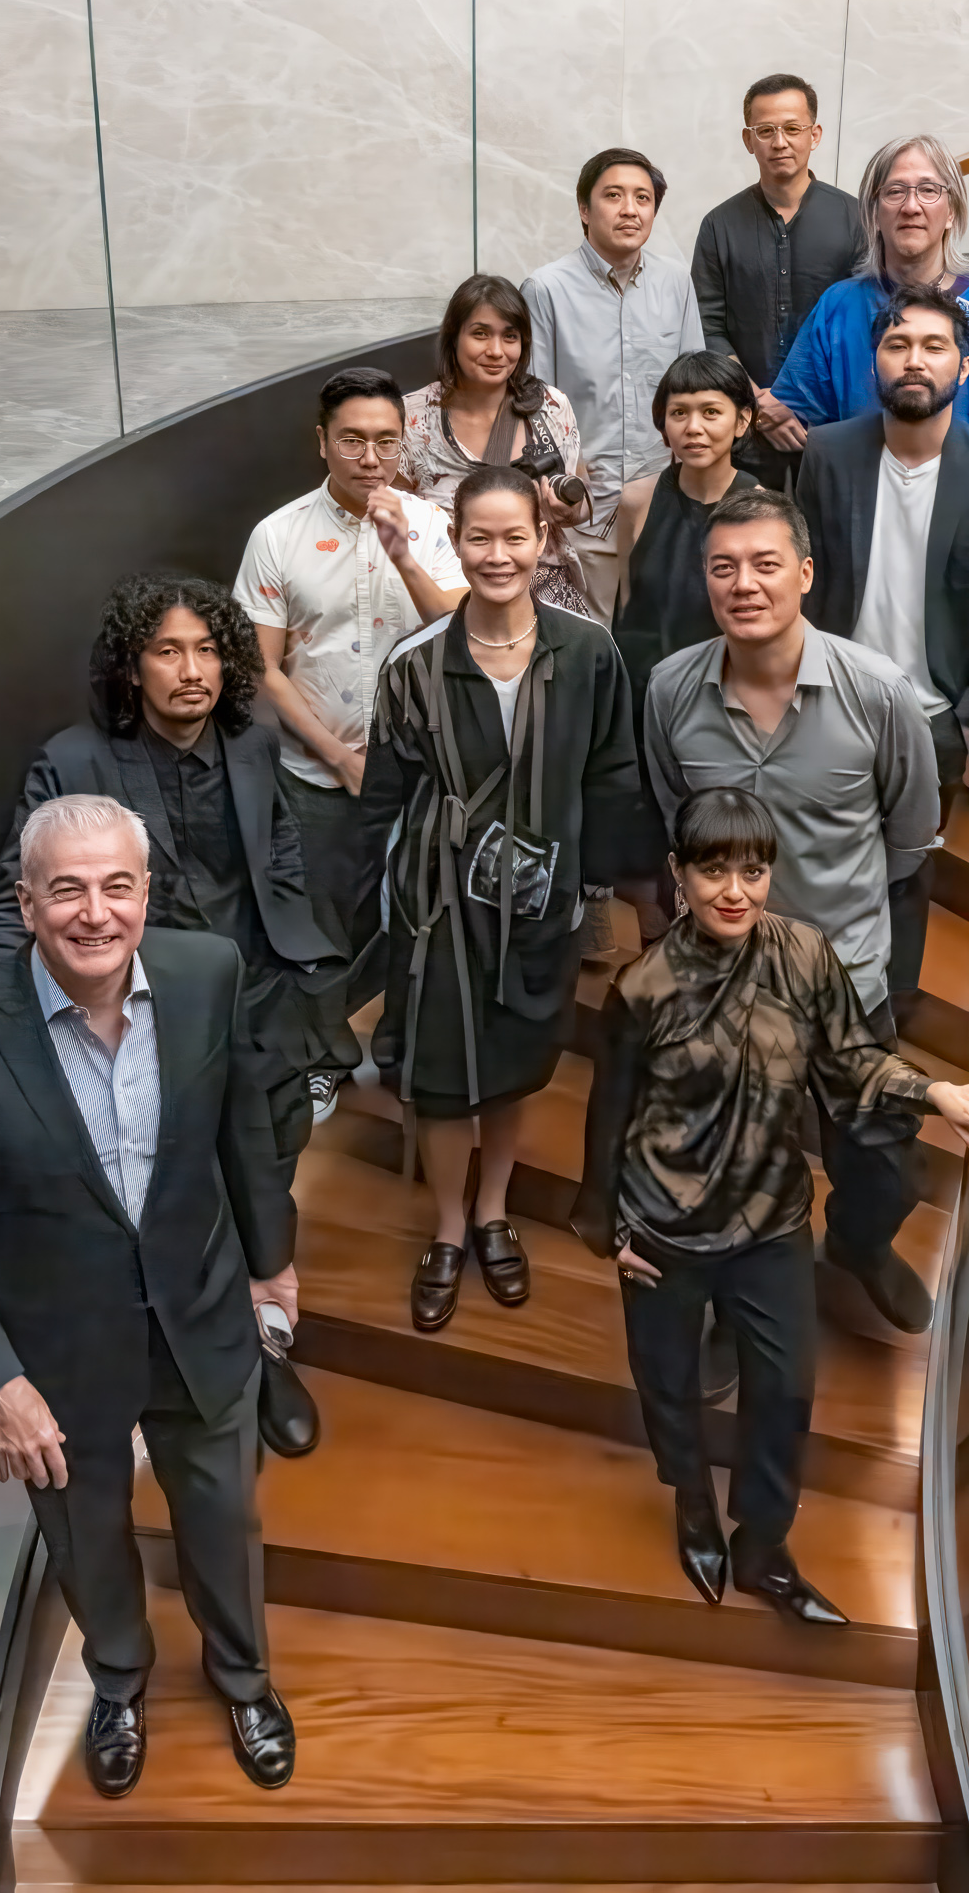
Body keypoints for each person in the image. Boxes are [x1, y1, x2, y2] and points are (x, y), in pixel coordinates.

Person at [0, 797, 298, 1797]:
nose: (94, 911)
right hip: (59, 1354)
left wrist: (269, 1261)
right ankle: (118, 1674)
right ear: (25, 903)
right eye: (66, 887)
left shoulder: (210, 974)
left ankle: (242, 1673)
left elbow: (241, 1129)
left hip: (201, 1318)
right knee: (86, 1533)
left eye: (117, 884)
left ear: (146, 892)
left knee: (222, 1518)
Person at [571, 786, 969, 1610]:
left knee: (783, 1391)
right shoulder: (639, 990)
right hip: (663, 1230)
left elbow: (852, 1061)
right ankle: (694, 1509)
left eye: (751, 869)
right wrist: (611, 1229)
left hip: (770, 1218)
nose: (733, 890)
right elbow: (609, 1119)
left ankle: (762, 1548)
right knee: (666, 1385)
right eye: (712, 871)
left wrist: (936, 1094)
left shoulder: (804, 957)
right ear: (677, 875)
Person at [0, 573, 335, 1457]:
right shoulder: (76, 759)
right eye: (168, 650)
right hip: (144, 1021)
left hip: (258, 999)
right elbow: (13, 900)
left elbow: (277, 845)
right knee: (176, 1199)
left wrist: (295, 952)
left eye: (208, 649)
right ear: (132, 667)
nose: (192, 670)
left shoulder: (252, 738)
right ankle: (196, 1371)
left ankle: (265, 1349)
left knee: (265, 1176)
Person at [644, 488, 942, 1334]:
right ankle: (722, 1312)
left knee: (879, 1159)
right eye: (724, 567)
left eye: (765, 564)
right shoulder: (670, 690)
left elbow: (909, 836)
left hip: (842, 973)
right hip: (720, 982)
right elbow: (680, 817)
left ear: (804, 574)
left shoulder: (878, 693)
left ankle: (857, 1244)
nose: (744, 584)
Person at [362, 465, 639, 1334]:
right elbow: (382, 795)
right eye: (478, 537)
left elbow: (611, 773)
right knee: (443, 1076)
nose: (497, 555)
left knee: (516, 1062)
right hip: (439, 909)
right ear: (456, 541)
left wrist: (587, 888)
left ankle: (493, 1209)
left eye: (514, 536)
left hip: (542, 902)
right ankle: (449, 1227)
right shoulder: (414, 667)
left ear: (543, 541)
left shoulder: (588, 652)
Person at [797, 286, 969, 1005]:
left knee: (903, 879)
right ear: (873, 360)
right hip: (828, 700)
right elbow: (805, 581)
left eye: (934, 347)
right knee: (813, 862)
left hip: (933, 719)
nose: (914, 360)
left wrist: (967, 724)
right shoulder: (826, 453)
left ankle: (886, 1027)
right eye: (897, 344)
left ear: (963, 369)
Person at [233, 367, 468, 1057]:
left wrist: (402, 557)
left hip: (423, 769)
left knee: (420, 913)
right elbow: (260, 668)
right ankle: (326, 1058)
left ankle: (407, 1045)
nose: (371, 459)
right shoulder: (278, 536)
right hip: (316, 770)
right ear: (321, 442)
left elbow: (461, 632)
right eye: (353, 441)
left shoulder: (430, 526)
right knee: (321, 921)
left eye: (386, 442)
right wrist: (340, 757)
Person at [759, 133, 969, 456]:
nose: (911, 207)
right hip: (863, 498)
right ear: (874, 213)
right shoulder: (839, 306)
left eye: (929, 190)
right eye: (894, 192)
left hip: (968, 498)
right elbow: (793, 411)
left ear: (951, 212)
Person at [522, 148, 705, 623]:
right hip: (583, 507)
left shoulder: (676, 283)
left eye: (642, 197)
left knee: (663, 639)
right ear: (584, 209)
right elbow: (533, 402)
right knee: (593, 647)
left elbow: (695, 389)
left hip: (663, 500)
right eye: (614, 196)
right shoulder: (545, 289)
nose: (630, 209)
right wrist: (567, 480)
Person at [690, 74, 863, 491]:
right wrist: (760, 406)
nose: (779, 142)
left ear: (815, 134)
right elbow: (706, 327)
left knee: (828, 548)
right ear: (749, 140)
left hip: (833, 426)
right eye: (765, 131)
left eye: (792, 128)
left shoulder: (857, 220)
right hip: (742, 430)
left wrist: (800, 405)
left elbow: (862, 326)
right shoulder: (719, 225)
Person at [400, 273, 591, 612]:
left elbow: (584, 499)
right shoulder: (413, 416)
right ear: (452, 337)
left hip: (542, 592)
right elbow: (394, 515)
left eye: (510, 336)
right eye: (480, 334)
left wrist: (569, 509)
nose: (496, 351)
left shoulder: (550, 406)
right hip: (448, 594)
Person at [612, 350, 759, 725]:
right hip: (641, 693)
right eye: (679, 413)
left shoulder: (762, 510)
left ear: (742, 421)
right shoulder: (636, 500)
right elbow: (627, 602)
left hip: (726, 699)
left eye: (711, 412)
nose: (693, 427)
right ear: (663, 425)